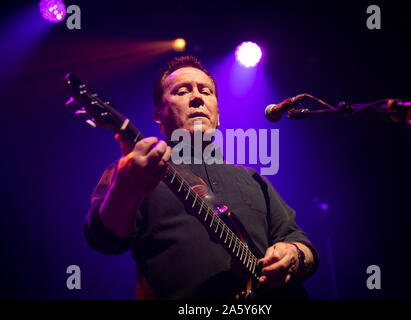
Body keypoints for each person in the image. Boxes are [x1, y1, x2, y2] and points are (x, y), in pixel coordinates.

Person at [84, 55, 319, 299]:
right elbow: (103, 240)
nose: (197, 97)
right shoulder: (136, 171)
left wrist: (295, 254)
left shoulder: (254, 179)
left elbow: (301, 243)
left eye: (206, 92)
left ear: (218, 114)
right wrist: (126, 188)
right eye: (182, 91)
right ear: (158, 115)